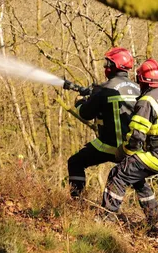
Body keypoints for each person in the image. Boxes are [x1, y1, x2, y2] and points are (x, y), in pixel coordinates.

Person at [101, 58, 158, 231]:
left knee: (119, 173)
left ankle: (106, 220)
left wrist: (124, 151)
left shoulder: (146, 102)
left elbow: (135, 137)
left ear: (141, 80)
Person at [65, 47, 140, 198]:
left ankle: (76, 201)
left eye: (108, 63)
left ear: (115, 66)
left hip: (109, 146)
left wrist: (80, 102)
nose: (105, 67)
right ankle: (154, 214)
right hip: (132, 147)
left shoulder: (104, 89)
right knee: (138, 179)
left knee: (75, 162)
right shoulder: (139, 88)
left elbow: (86, 114)